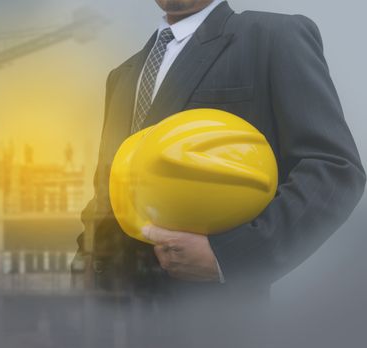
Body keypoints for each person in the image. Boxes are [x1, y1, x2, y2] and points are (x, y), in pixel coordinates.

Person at [74, 0, 366, 303]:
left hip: (212, 317)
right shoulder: (122, 75)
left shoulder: (274, 37)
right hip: (115, 314)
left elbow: (334, 169)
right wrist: (83, 270)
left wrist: (228, 257)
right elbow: (107, 192)